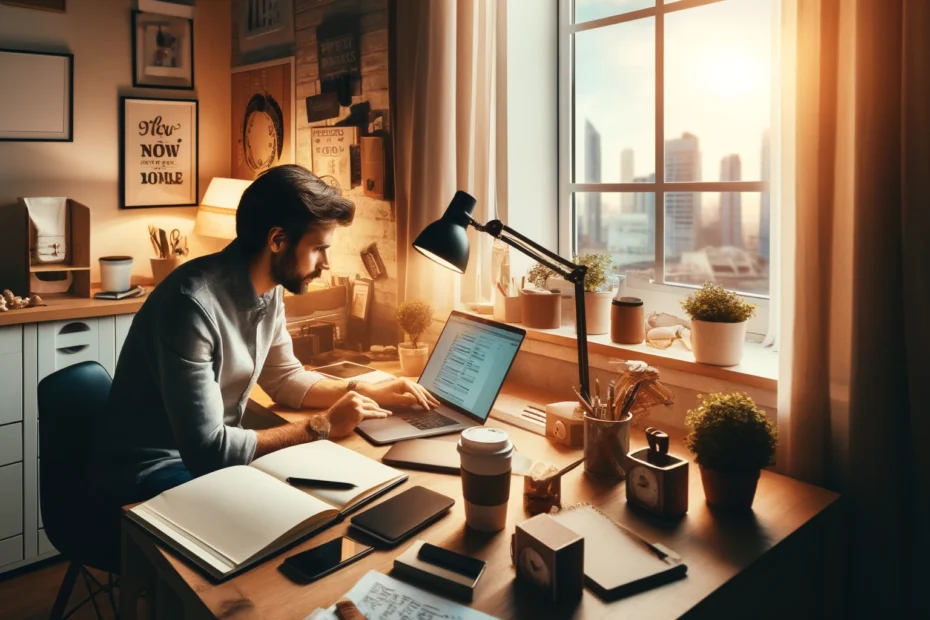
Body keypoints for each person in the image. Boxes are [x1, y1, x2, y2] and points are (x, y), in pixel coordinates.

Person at [93, 165, 439, 505]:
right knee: (302, 506)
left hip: (201, 461)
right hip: (151, 472)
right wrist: (322, 425)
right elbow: (207, 451)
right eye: (319, 248)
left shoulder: (269, 288)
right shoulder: (190, 307)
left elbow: (285, 377)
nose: (325, 263)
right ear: (277, 240)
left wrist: (365, 391)